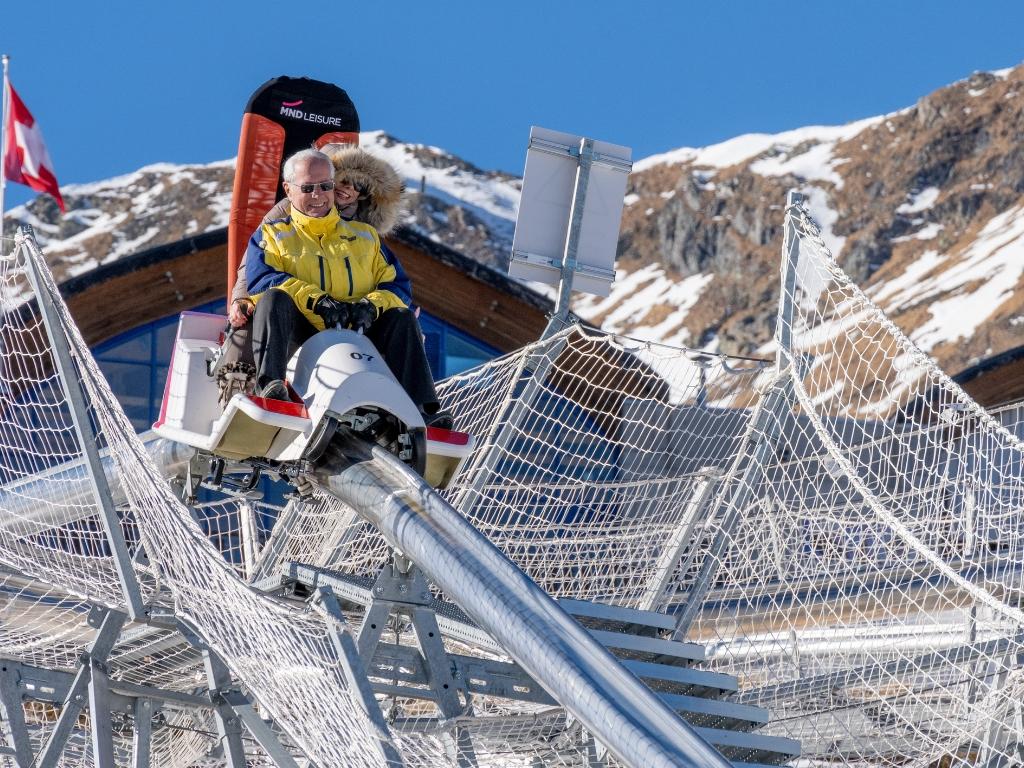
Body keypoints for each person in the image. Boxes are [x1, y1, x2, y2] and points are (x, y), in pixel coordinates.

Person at [243, 148, 449, 427]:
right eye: (308, 188)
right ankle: (271, 388)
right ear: (288, 190)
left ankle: (421, 411)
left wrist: (371, 306)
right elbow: (262, 280)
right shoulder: (273, 234)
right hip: (302, 335)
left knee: (400, 316)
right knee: (273, 299)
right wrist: (317, 301)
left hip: (357, 332)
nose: (318, 195)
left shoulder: (365, 236)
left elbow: (397, 286)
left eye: (325, 186)